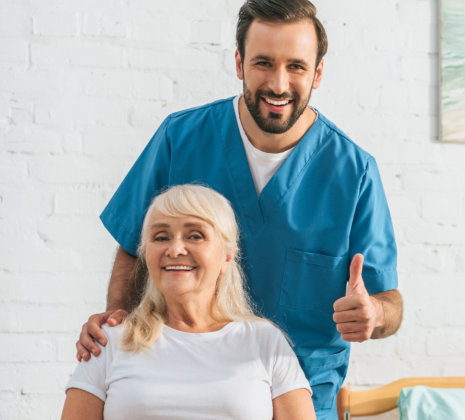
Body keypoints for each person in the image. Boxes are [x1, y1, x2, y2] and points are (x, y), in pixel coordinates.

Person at [75, 1, 403, 418]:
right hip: (174, 389)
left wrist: (374, 313)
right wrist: (115, 326)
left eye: (297, 67)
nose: (279, 84)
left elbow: (387, 299)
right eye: (263, 63)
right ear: (239, 63)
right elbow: (131, 243)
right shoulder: (182, 138)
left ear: (318, 73)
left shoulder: (352, 172)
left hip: (301, 398)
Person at [62, 185, 316, 420]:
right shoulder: (108, 341)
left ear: (227, 256)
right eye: (161, 237)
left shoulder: (265, 342)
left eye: (195, 236)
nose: (175, 249)